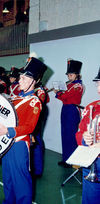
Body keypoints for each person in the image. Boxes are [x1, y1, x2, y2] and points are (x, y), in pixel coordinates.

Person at [0, 57, 47, 204]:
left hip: (19, 143)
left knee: (21, 179)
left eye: (23, 78)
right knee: (8, 177)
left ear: (33, 81)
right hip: (7, 143)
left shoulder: (34, 101)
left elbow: (30, 127)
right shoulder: (16, 99)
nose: (19, 81)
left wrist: (8, 131)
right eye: (20, 77)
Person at [75, 68, 100, 204]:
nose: (98, 89)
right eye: (98, 84)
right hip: (92, 163)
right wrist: (85, 138)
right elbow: (79, 133)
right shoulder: (92, 107)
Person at [54, 59, 84, 168]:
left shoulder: (77, 86)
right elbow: (63, 99)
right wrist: (60, 93)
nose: (69, 76)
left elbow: (65, 97)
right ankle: (66, 158)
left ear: (77, 75)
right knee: (64, 134)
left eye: (71, 74)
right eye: (68, 74)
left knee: (71, 135)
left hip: (72, 110)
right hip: (66, 109)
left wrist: (58, 93)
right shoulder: (69, 85)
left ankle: (72, 160)